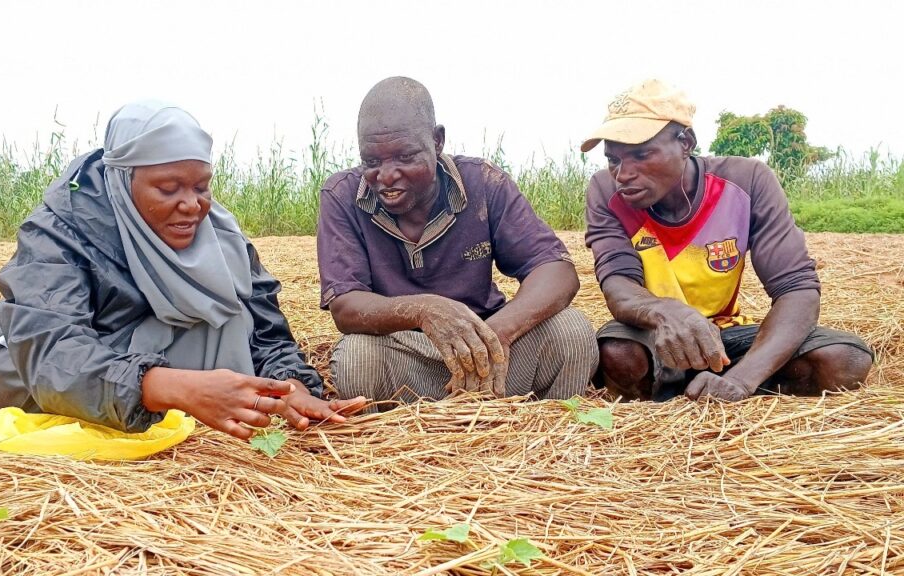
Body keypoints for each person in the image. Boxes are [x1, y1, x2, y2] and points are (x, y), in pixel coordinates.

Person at [0, 101, 365, 439]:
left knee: (226, 311)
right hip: (39, 390)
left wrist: (290, 390)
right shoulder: (61, 233)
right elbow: (54, 356)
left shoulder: (221, 239)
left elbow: (264, 333)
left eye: (201, 187)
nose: (192, 205)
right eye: (168, 189)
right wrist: (178, 388)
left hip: (145, 367)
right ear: (123, 181)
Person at [582, 79, 873, 402]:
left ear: (686, 142)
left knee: (844, 359)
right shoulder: (607, 192)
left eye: (641, 154)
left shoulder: (747, 182)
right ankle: (670, 400)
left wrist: (742, 379)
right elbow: (618, 285)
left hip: (727, 333)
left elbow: (797, 290)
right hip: (651, 333)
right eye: (614, 160)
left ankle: (715, 389)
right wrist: (667, 313)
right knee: (619, 353)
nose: (623, 174)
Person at [317, 77, 598, 409]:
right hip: (410, 357)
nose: (387, 176)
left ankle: (541, 438)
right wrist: (426, 311)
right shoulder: (342, 195)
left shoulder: (483, 182)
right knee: (356, 358)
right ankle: (402, 441)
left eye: (405, 157)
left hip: (495, 359)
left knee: (573, 334)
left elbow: (557, 271)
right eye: (372, 162)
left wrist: (495, 336)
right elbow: (346, 307)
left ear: (437, 142)